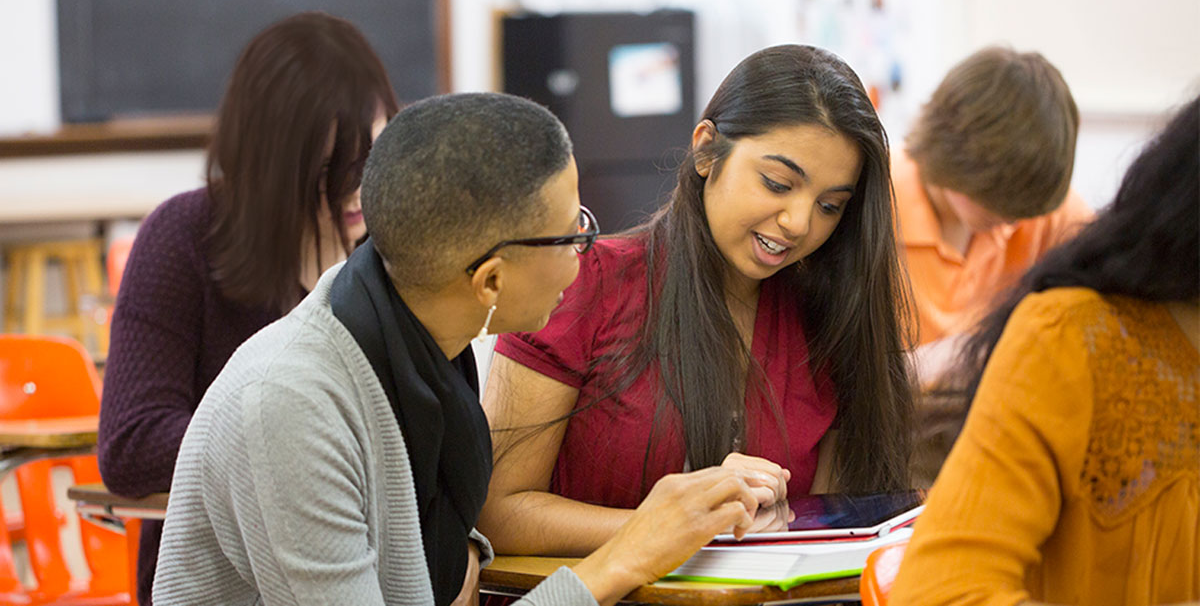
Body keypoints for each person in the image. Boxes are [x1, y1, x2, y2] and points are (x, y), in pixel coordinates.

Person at [152, 92, 766, 606]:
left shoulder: (416, 342)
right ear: (491, 279)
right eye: (570, 232)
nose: (584, 251)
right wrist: (622, 558)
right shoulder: (292, 404)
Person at [478, 44, 916, 559]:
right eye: (777, 183)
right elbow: (497, 515)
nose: (799, 223)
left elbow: (817, 536)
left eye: (829, 206)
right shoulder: (582, 284)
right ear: (707, 150)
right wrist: (677, 522)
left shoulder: (825, 322)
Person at [97, 12, 398, 604]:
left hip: (367, 569)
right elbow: (132, 447)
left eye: (373, 161)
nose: (358, 191)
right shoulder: (184, 237)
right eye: (332, 170)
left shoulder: (393, 250)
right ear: (270, 163)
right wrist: (306, 445)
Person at [890, 97, 1199, 606]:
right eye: (998, 209)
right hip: (917, 445)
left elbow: (1106, 247)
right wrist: (939, 360)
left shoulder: (1051, 221)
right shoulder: (884, 203)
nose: (1011, 227)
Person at [896, 46, 1093, 383]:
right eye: (1001, 205)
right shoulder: (875, 198)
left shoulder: (1039, 210)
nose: (1015, 222)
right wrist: (947, 359)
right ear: (958, 158)